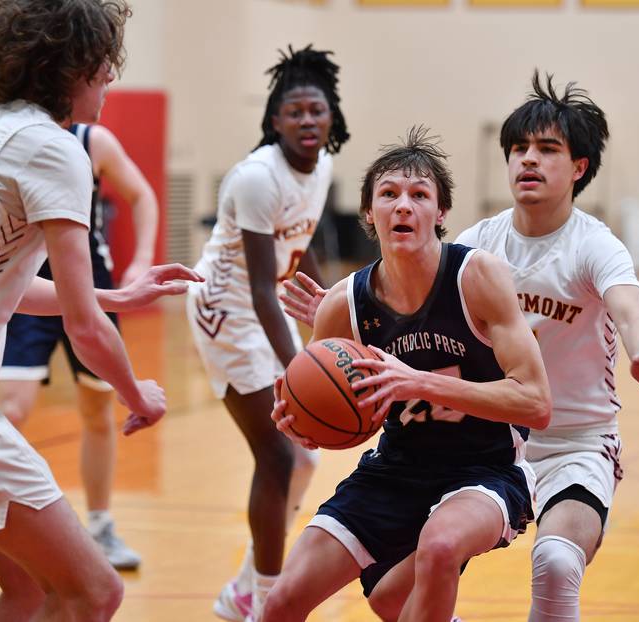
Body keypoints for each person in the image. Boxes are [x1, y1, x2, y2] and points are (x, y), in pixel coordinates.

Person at [284, 73, 639, 621]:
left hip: (573, 439)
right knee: (390, 599)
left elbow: (630, 308)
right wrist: (350, 318)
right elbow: (408, 303)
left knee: (555, 562)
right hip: (484, 437)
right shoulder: (476, 246)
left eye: (548, 149)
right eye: (519, 148)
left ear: (579, 168)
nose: (529, 159)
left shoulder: (595, 245)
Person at [0, 1, 201, 620]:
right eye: (101, 64)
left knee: (32, 587)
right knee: (95, 590)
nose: (110, 78)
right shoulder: (52, 147)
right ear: (68, 65)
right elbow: (86, 331)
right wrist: (137, 394)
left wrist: (117, 295)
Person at [262, 128, 552, 622]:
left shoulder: (477, 277)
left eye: (420, 196)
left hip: (486, 471)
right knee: (286, 602)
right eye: (389, 194)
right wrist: (299, 421)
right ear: (369, 214)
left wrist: (418, 382)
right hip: (395, 468)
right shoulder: (343, 303)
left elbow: (536, 403)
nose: (404, 206)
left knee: (438, 550)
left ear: (440, 215)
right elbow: (326, 405)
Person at [0, 122, 157, 579]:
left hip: (89, 284)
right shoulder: (17, 140)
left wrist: (140, 258)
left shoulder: (92, 141)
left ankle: (101, 524)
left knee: (97, 412)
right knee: (11, 408)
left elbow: (143, 196)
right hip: (28, 289)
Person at [185, 45, 350, 622]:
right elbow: (257, 288)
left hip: (265, 304)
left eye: (317, 110)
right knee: (277, 455)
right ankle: (264, 597)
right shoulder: (257, 178)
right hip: (223, 310)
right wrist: (305, 363)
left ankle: (241, 590)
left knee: (304, 459)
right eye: (295, 112)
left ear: (332, 118)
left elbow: (294, 258)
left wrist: (336, 316)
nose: (308, 121)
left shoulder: (323, 168)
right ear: (275, 122)